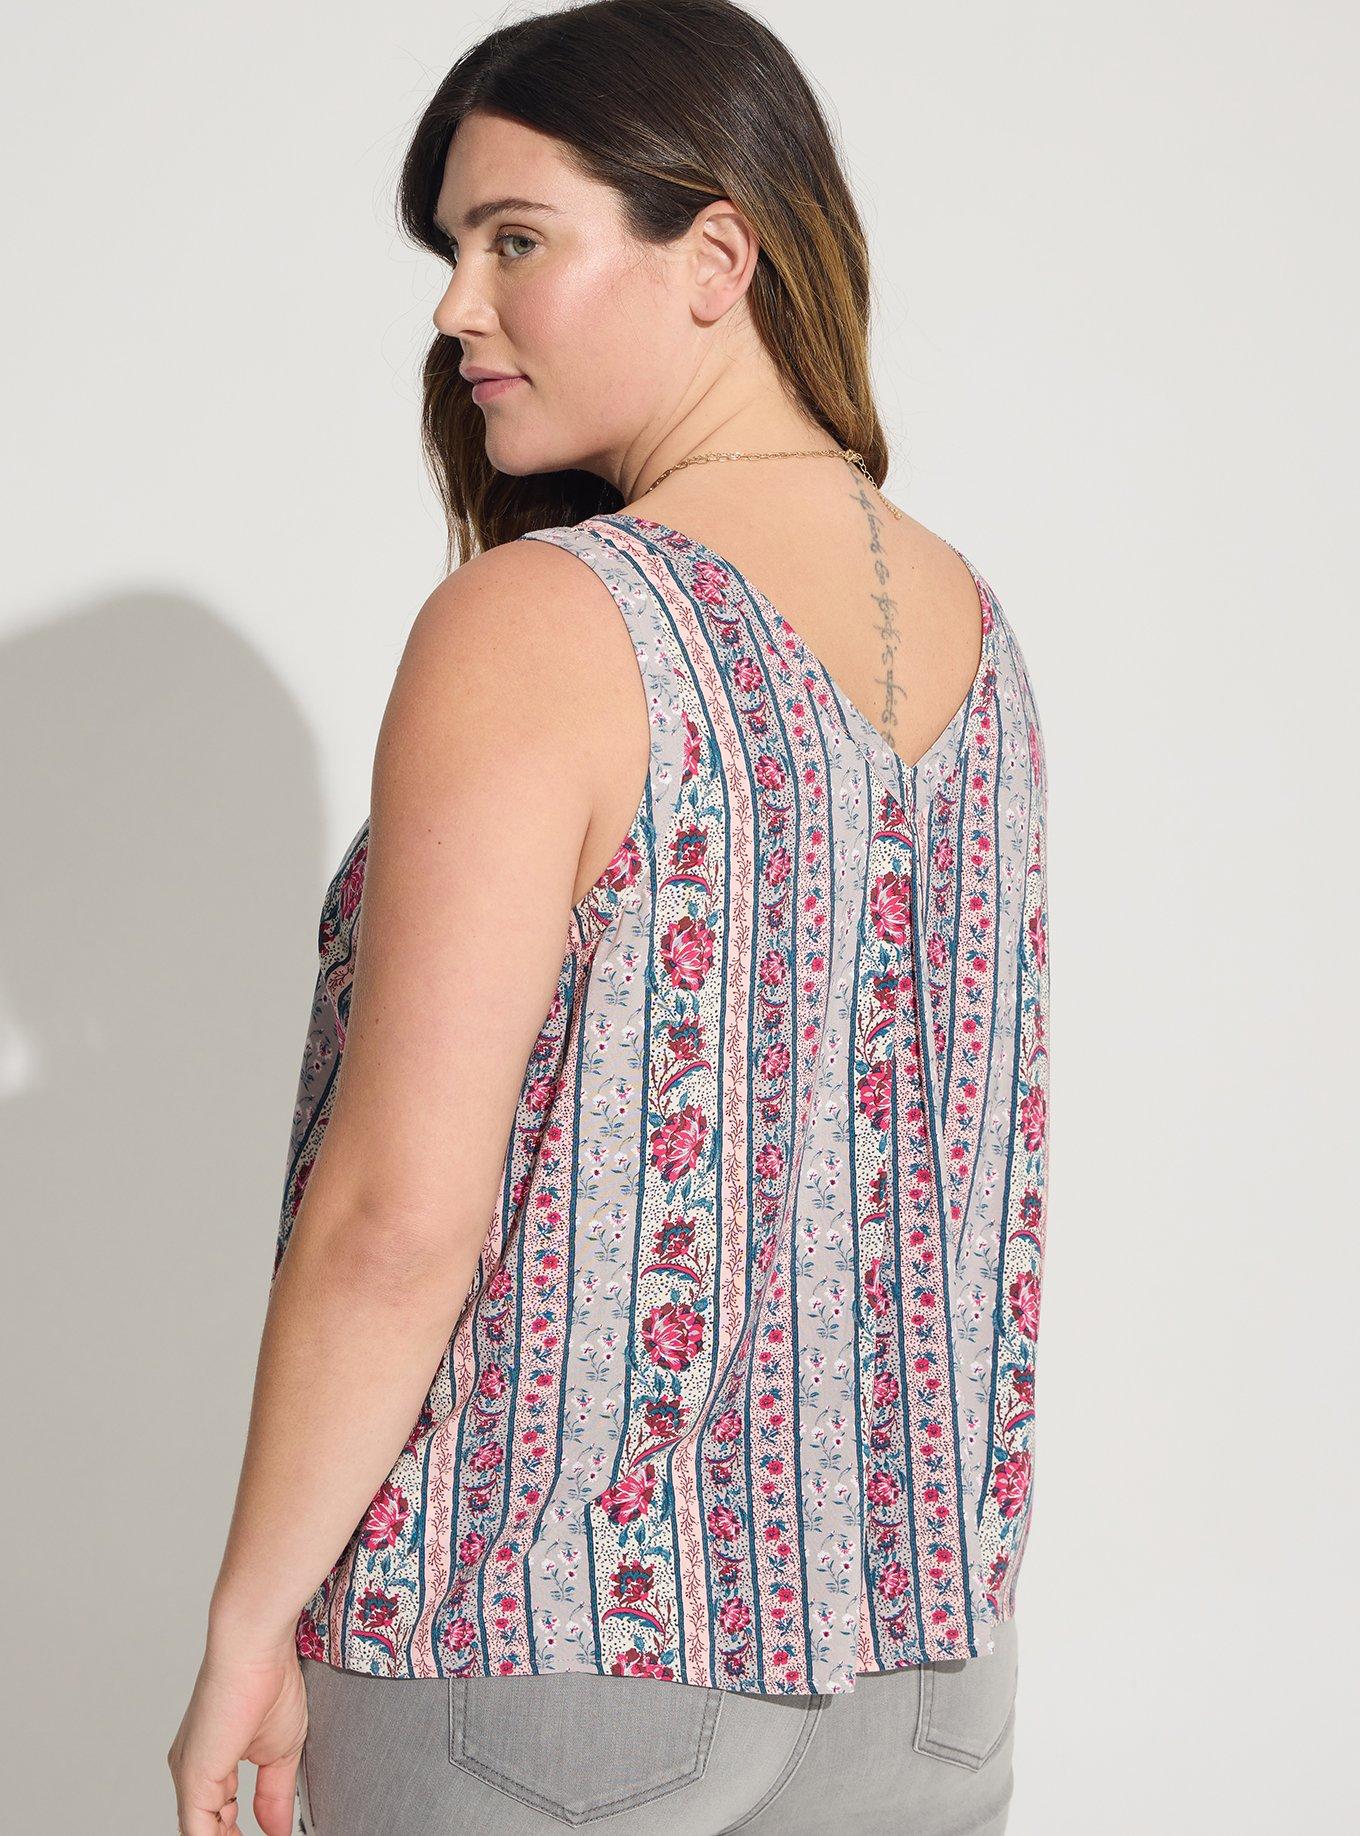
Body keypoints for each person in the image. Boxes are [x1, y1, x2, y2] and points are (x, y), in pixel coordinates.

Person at [166, 2, 1051, 1831]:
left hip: (546, 1657)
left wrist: (250, 1615)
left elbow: (399, 1218)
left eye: (516, 240)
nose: (454, 307)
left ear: (717, 256)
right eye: (452, 251)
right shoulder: (979, 633)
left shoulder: (544, 620)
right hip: (923, 1679)